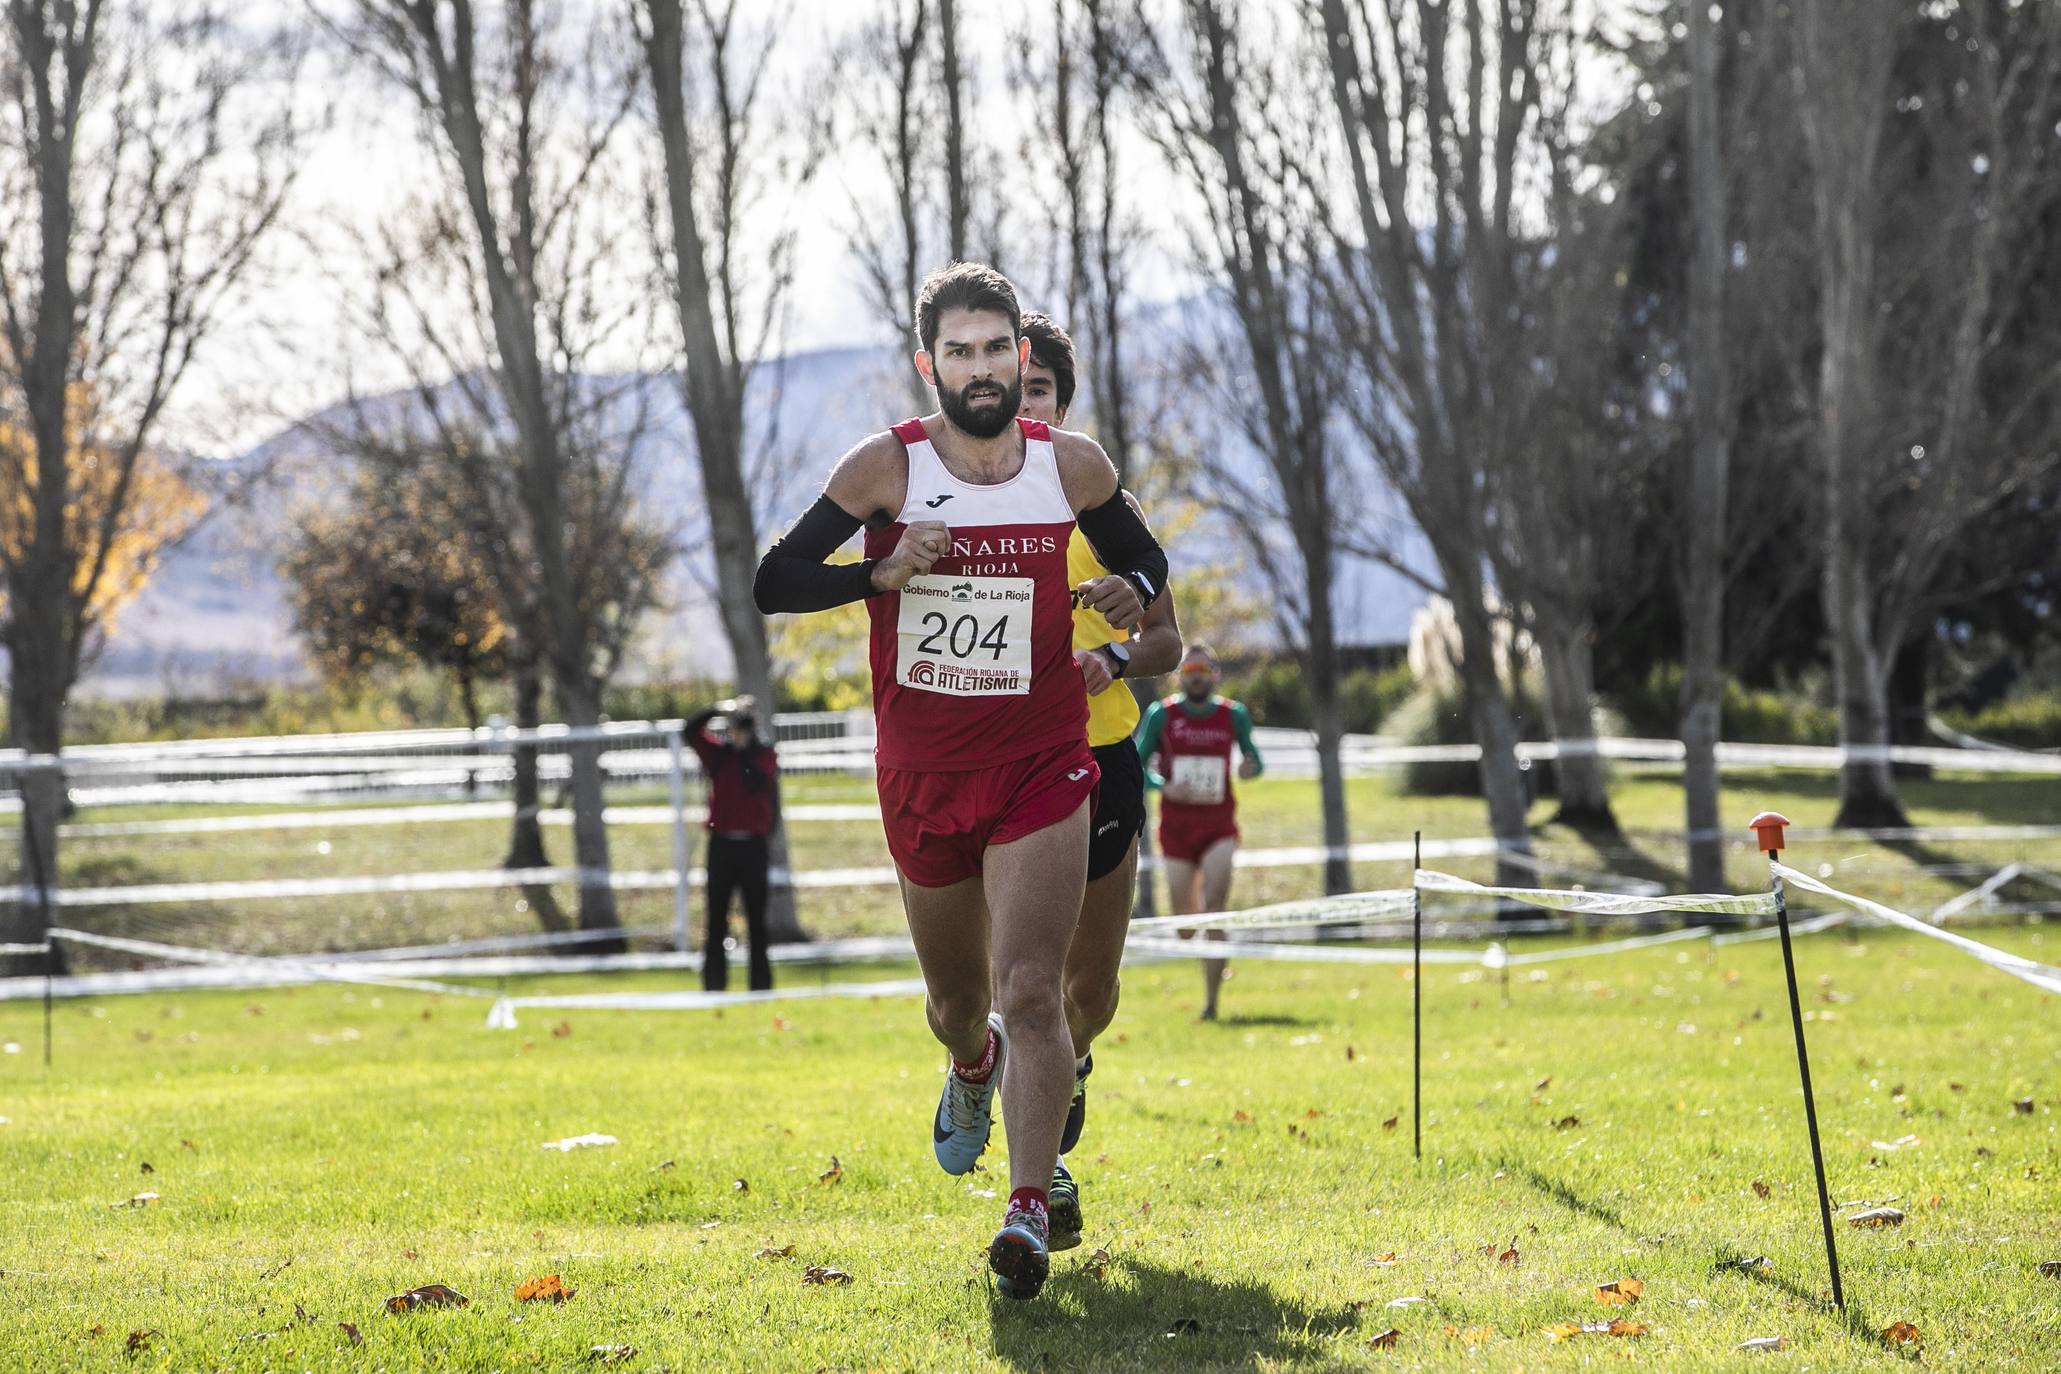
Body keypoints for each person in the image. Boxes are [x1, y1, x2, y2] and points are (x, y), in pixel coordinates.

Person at [753, 263, 1168, 1299]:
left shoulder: (1070, 466)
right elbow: (775, 580)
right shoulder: (883, 468)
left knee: (1033, 987)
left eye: (997, 350)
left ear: (1020, 359)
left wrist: (1130, 590)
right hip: (926, 774)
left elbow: (1153, 570)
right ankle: (969, 1068)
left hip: (1043, 763)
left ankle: (1028, 1209)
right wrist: (876, 575)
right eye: (959, 351)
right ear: (927, 362)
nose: (981, 370)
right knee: (958, 1003)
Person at [1016, 311, 1182, 1252]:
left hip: (1104, 764)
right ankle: (1043, 1174)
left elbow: (1170, 640)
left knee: (1093, 987)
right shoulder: (952, 509)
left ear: (1063, 408)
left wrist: (1113, 661)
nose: (1024, 406)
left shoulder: (1101, 512)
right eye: (1015, 389)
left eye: (1040, 391)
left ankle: (1068, 1065)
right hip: (1006, 766)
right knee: (1021, 981)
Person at [1138, 645, 1263, 1020]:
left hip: (1219, 827)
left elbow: (1255, 760)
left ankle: (1211, 1004)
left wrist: (1248, 769)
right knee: (1186, 928)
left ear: (1214, 674)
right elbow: (1137, 764)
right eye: (1190, 668)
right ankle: (1190, 919)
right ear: (1179, 676)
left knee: (1215, 912)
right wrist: (1163, 785)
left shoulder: (1232, 715)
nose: (1196, 674)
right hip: (1176, 829)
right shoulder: (1163, 715)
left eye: (1203, 668)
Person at [680, 695, 778, 993]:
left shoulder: (763, 756)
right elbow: (689, 731)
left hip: (753, 848)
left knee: (757, 922)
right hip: (721, 846)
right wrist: (720, 707)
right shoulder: (719, 756)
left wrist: (746, 744)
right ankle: (714, 986)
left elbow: (756, 781)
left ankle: (760, 987)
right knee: (716, 920)